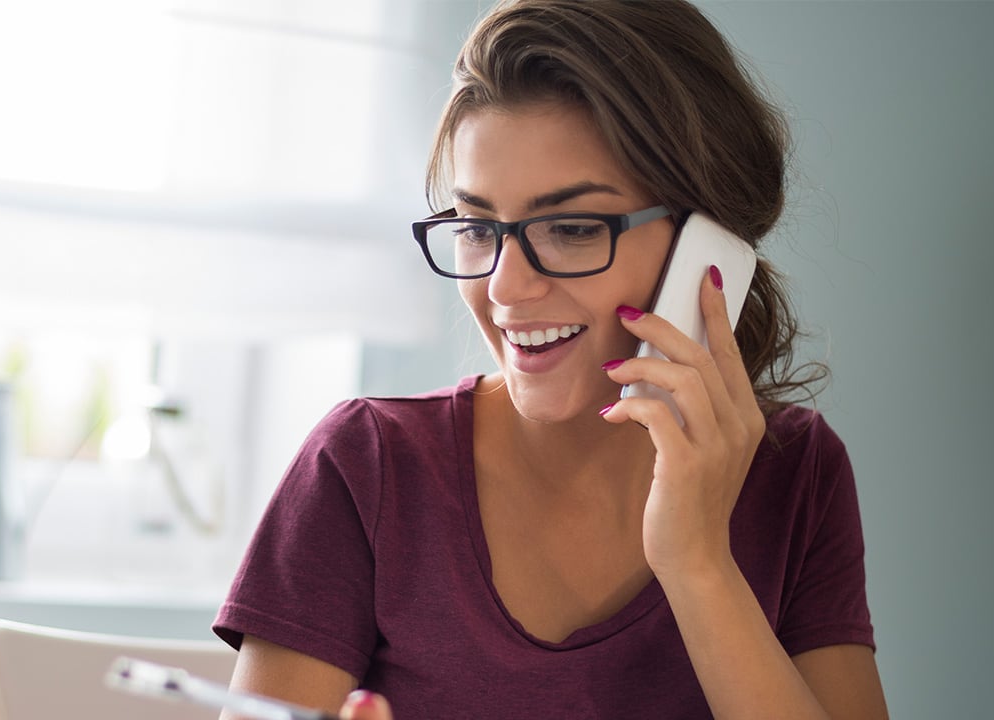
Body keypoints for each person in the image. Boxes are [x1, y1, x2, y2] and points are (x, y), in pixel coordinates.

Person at [213, 0, 888, 717]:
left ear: (707, 249)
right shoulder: (366, 465)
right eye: (477, 227)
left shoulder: (795, 473)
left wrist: (698, 564)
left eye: (570, 228)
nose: (505, 287)